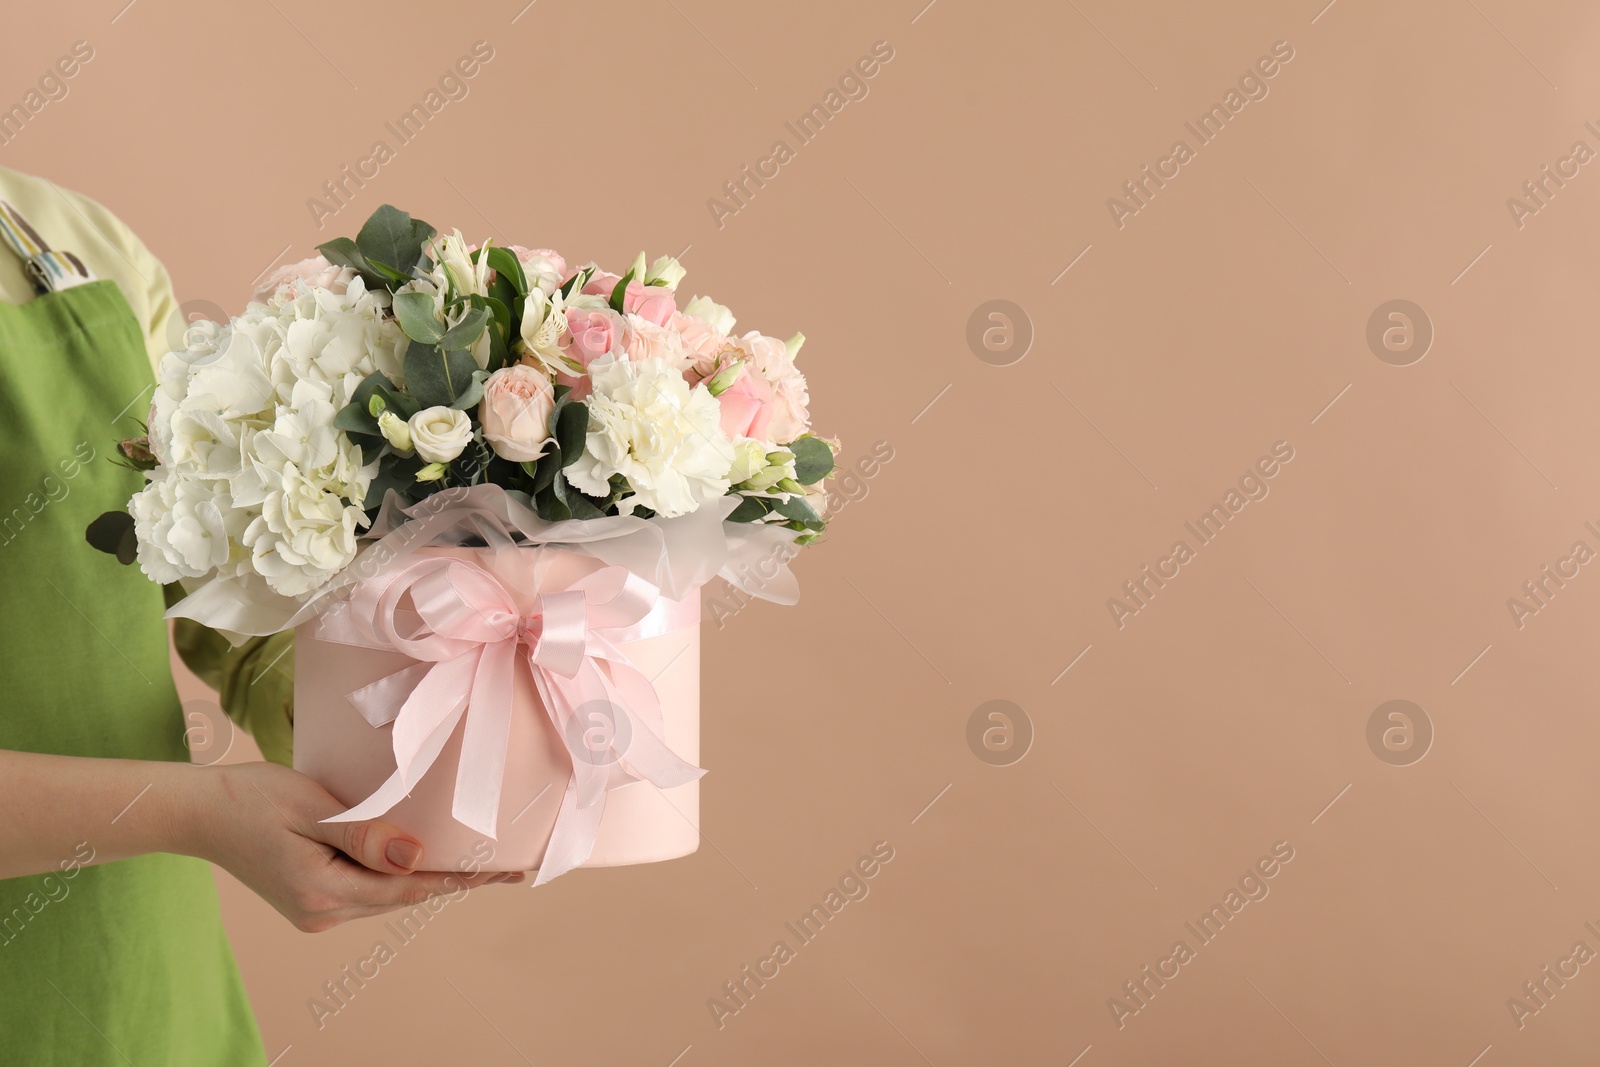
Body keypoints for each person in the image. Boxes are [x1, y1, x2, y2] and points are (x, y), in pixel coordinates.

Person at [0, 165, 523, 1066]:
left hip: (134, 987)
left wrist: (409, 720)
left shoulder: (69, 241)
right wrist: (200, 815)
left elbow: (213, 593)